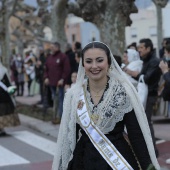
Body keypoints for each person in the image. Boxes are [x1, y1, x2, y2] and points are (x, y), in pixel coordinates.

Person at [52, 41, 160, 170]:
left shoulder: (123, 92)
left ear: (108, 62)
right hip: (83, 160)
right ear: (83, 65)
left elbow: (135, 134)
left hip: (117, 160)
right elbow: (69, 137)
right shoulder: (74, 95)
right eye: (89, 61)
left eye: (99, 60)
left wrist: (147, 165)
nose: (94, 66)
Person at [125, 38, 161, 157]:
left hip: (149, 96)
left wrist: (131, 72)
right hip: (144, 95)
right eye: (139, 48)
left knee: (147, 123)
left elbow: (146, 79)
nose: (139, 50)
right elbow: (141, 78)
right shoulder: (145, 60)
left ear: (148, 48)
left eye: (141, 48)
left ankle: (153, 151)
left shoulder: (154, 61)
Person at [44, 42, 70, 124]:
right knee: (54, 100)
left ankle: (60, 117)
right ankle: (55, 116)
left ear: (57, 47)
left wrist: (62, 79)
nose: (51, 48)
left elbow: (66, 69)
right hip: (51, 82)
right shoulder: (49, 57)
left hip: (60, 83)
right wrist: (46, 77)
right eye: (50, 47)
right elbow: (46, 69)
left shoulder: (63, 57)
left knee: (60, 100)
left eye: (52, 47)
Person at [0, 57, 20, 136]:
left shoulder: (3, 70)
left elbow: (7, 82)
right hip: (3, 95)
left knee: (2, 112)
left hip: (3, 96)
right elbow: (8, 83)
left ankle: (1, 129)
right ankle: (1, 129)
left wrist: (11, 90)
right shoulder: (3, 70)